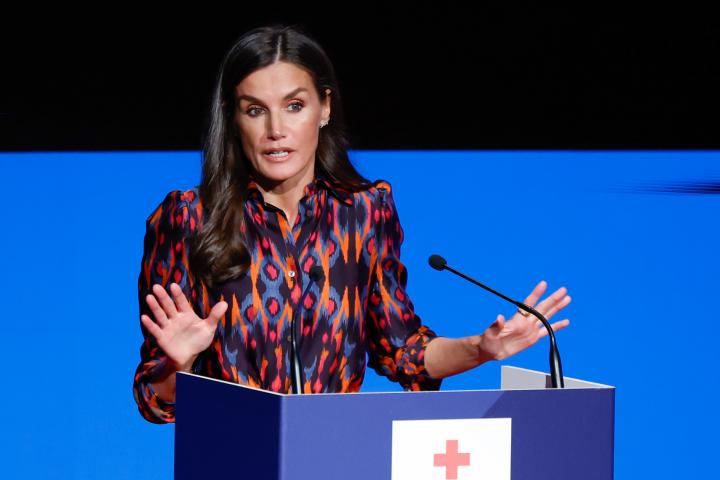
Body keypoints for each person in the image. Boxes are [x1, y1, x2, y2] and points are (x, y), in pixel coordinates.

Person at [132, 24, 572, 424]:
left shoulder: (364, 212)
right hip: (232, 456)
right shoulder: (188, 218)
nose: (276, 129)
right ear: (233, 118)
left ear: (324, 107)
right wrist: (178, 364)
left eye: (294, 106)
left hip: (336, 454)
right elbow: (155, 400)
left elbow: (403, 352)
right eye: (255, 110)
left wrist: (482, 348)